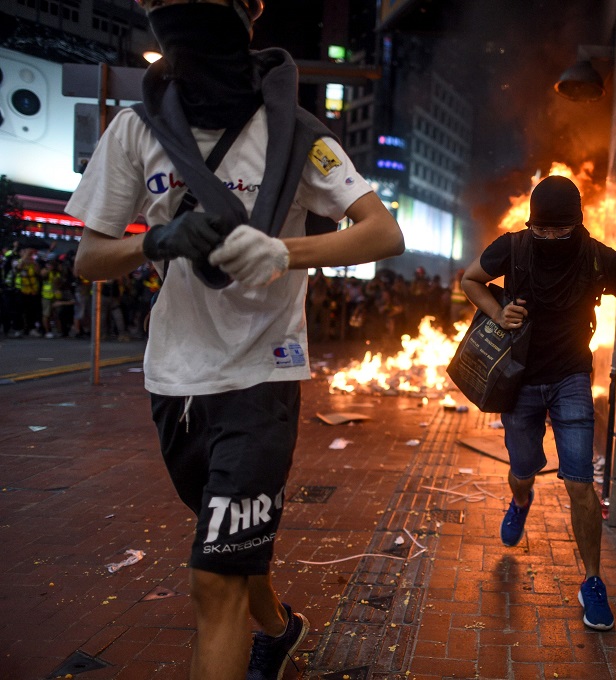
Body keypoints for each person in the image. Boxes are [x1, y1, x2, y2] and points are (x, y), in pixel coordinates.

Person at [67, 1, 405, 678]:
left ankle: (262, 636)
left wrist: (283, 251)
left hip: (262, 378)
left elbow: (382, 231)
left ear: (250, 14)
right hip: (175, 380)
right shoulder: (136, 130)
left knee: (213, 580)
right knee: (227, 543)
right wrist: (155, 241)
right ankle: (280, 628)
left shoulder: (296, 133)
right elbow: (89, 258)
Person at [461, 175, 616, 631]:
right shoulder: (514, 247)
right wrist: (497, 311)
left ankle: (592, 581)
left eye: (560, 230)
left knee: (580, 483)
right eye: (542, 229)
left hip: (571, 378)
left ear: (578, 223)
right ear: (532, 223)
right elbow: (470, 279)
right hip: (521, 381)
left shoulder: (599, 258)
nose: (549, 237)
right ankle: (521, 500)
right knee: (523, 468)